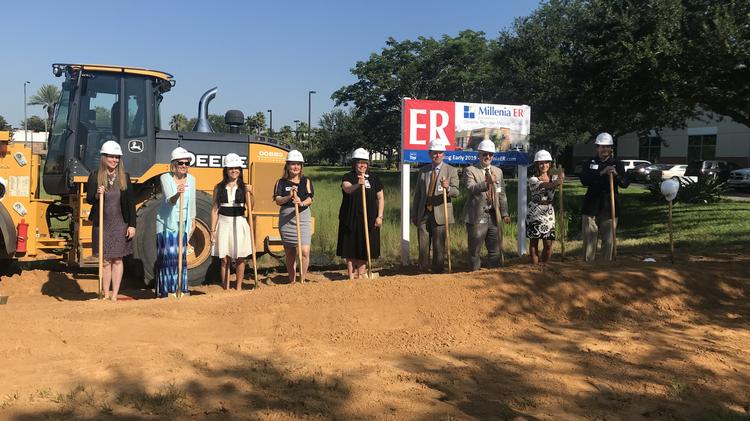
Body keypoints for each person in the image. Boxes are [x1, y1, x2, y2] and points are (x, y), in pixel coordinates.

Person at [85, 140, 136, 301]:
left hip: (120, 224)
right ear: (104, 157)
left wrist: (132, 225)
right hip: (102, 225)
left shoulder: (124, 178)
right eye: (111, 157)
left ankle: (115, 295)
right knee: (105, 260)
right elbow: (89, 200)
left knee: (118, 259)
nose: (114, 160)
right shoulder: (95, 176)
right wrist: (97, 194)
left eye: (117, 157)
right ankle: (105, 294)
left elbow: (130, 204)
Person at [580, 132, 630, 261]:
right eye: (602, 146)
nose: (605, 149)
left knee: (608, 240)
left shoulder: (617, 163)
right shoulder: (589, 163)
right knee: (589, 238)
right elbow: (584, 180)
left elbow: (625, 183)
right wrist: (601, 173)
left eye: (607, 146)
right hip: (591, 206)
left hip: (610, 207)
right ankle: (588, 265)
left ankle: (605, 267)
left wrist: (616, 175)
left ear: (611, 148)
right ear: (597, 147)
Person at [411, 139, 459, 273]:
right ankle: (423, 270)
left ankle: (437, 272)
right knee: (423, 245)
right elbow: (418, 195)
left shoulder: (451, 170)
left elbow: (456, 192)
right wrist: (415, 214)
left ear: (443, 154)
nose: (437, 155)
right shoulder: (423, 171)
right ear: (430, 153)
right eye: (434, 153)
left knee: (439, 246)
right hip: (424, 213)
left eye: (440, 153)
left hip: (441, 213)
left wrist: (448, 188)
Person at [462, 139, 511, 271]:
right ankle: (474, 276)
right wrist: (487, 183)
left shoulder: (498, 172)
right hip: (477, 216)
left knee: (495, 250)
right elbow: (470, 188)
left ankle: (493, 278)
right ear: (479, 154)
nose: (487, 157)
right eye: (484, 154)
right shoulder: (470, 170)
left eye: (490, 154)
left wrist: (505, 213)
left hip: (494, 216)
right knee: (475, 251)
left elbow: (501, 194)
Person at [336, 148, 384, 279]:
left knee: (365, 244)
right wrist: (358, 184)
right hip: (351, 217)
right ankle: (351, 275)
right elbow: (347, 189)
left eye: (364, 162)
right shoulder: (348, 176)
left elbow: (380, 197)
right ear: (354, 163)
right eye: (359, 162)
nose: (362, 165)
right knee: (351, 245)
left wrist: (380, 216)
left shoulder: (374, 178)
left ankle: (361, 273)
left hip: (369, 217)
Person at [155, 147, 196, 297]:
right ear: (174, 164)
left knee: (181, 256)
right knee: (168, 257)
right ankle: (167, 291)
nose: (184, 166)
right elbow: (169, 201)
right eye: (181, 163)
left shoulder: (192, 179)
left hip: (183, 222)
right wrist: (178, 194)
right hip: (167, 222)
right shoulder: (165, 178)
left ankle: (181, 288)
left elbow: (192, 201)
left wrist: (192, 219)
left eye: (187, 163)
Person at [211, 153, 254, 290]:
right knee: (224, 258)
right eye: (231, 168)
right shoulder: (218, 187)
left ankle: (239, 287)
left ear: (240, 170)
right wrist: (212, 230)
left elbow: (251, 207)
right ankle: (225, 287)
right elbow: (214, 210)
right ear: (226, 170)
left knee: (240, 257)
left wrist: (251, 193)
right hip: (223, 223)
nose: (234, 171)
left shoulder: (245, 187)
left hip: (239, 222)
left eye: (236, 168)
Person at [273, 150, 314, 283]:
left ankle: (302, 279)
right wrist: (289, 197)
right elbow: (278, 200)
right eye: (292, 164)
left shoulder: (305, 180)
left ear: (301, 166)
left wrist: (301, 202)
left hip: (302, 216)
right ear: (287, 166)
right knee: (290, 253)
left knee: (304, 251)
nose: (295, 167)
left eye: (298, 164)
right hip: (286, 218)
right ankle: (292, 281)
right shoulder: (281, 182)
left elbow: (310, 199)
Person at [526, 149, 564, 264]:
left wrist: (561, 175)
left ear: (550, 163)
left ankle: (545, 267)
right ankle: (535, 267)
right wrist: (558, 181)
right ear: (537, 164)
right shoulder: (533, 179)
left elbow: (560, 175)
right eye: (541, 163)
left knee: (548, 243)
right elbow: (546, 186)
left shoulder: (553, 177)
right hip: (534, 211)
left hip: (548, 212)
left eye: (546, 162)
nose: (544, 165)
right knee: (534, 241)